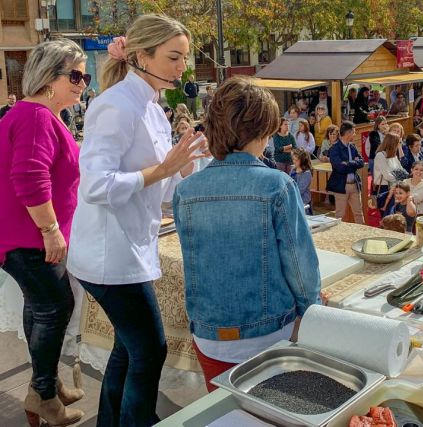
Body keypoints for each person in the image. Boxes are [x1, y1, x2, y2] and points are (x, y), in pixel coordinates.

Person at [67, 15, 203, 426]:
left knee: (129, 348)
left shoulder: (154, 108)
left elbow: (161, 191)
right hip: (110, 254)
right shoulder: (114, 105)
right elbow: (95, 185)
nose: (182, 67)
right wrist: (164, 171)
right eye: (173, 57)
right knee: (149, 350)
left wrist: (187, 168)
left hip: (129, 248)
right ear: (142, 55)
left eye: (184, 58)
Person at [173, 76, 320, 391]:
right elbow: (299, 263)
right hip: (267, 334)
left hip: (209, 333)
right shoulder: (276, 185)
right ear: (261, 131)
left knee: (225, 412)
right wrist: (311, 310)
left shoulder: (186, 190)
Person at [0, 39, 87, 427]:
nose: (82, 83)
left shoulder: (37, 115)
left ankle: (43, 387)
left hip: (24, 237)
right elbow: (30, 177)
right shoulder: (35, 116)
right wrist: (51, 230)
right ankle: (45, 395)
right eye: (75, 75)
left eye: (84, 75)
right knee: (56, 307)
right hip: (29, 239)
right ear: (49, 78)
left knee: (42, 308)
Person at [328, 121, 365, 224]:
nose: (355, 134)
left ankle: (362, 235)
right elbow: (339, 167)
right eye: (353, 132)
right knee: (340, 215)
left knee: (358, 213)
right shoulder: (334, 149)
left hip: (354, 185)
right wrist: (354, 164)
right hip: (341, 186)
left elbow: (361, 162)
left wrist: (348, 163)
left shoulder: (352, 147)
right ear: (348, 133)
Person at [290, 148, 313, 214]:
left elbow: (300, 190)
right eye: (293, 159)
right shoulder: (293, 169)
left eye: (296, 160)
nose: (294, 161)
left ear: (302, 160)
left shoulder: (306, 173)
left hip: (303, 202)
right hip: (293, 200)